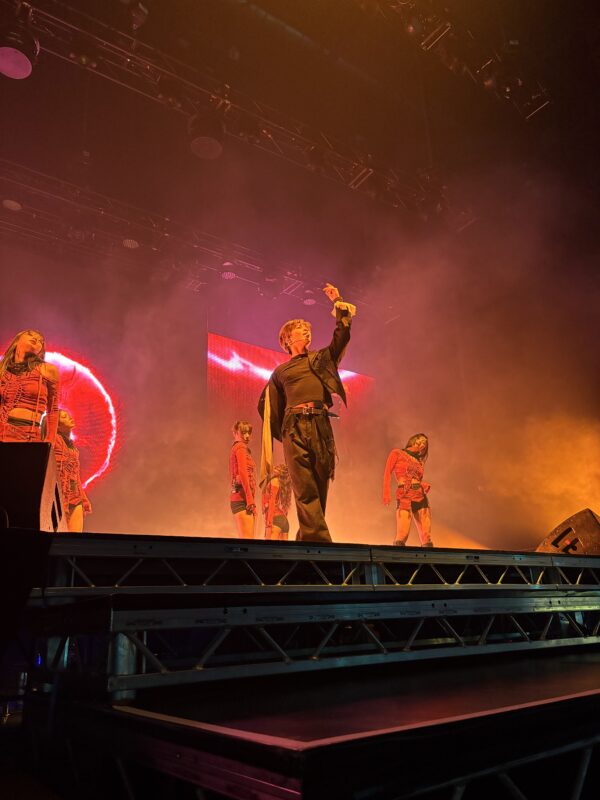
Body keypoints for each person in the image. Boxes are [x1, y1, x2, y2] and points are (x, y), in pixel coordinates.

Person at [258, 283, 356, 543]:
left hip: (321, 426)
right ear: (288, 339)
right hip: (294, 428)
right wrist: (286, 434)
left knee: (320, 485)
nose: (306, 331)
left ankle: (306, 539)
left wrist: (338, 302)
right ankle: (321, 543)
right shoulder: (280, 372)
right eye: (301, 329)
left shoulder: (321, 359)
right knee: (304, 487)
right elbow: (271, 408)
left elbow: (342, 337)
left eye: (308, 329)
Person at [0, 329, 60, 444]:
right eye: (30, 335)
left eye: (40, 341)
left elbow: (53, 409)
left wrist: (50, 441)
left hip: (27, 435)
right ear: (17, 341)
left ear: (40, 350)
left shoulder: (47, 370)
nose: (36, 339)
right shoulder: (2, 370)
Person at [382, 433, 433, 547]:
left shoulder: (420, 462)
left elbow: (418, 479)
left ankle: (428, 554)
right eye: (421, 440)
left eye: (425, 444)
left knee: (426, 536)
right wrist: (386, 494)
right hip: (405, 494)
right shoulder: (397, 453)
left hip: (420, 494)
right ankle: (397, 555)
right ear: (414, 440)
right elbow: (387, 473)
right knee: (402, 534)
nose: (423, 444)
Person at [53, 409, 92, 532]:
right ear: (58, 426)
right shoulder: (54, 440)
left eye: (68, 415)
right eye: (64, 417)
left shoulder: (73, 448)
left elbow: (76, 475)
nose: (69, 417)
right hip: (61, 493)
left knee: (75, 535)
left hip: (75, 496)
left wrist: (83, 498)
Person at [229, 420, 257, 538]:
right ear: (235, 433)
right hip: (242, 499)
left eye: (249, 433)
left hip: (242, 498)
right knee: (247, 542)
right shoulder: (240, 447)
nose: (247, 436)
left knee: (247, 541)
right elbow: (243, 473)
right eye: (244, 432)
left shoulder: (238, 448)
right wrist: (250, 501)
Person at [262, 464, 292, 540]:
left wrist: (269, 523)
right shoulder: (282, 483)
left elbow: (271, 502)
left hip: (275, 519)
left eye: (277, 467)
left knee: (270, 547)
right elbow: (285, 505)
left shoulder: (274, 481)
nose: (274, 468)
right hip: (284, 521)